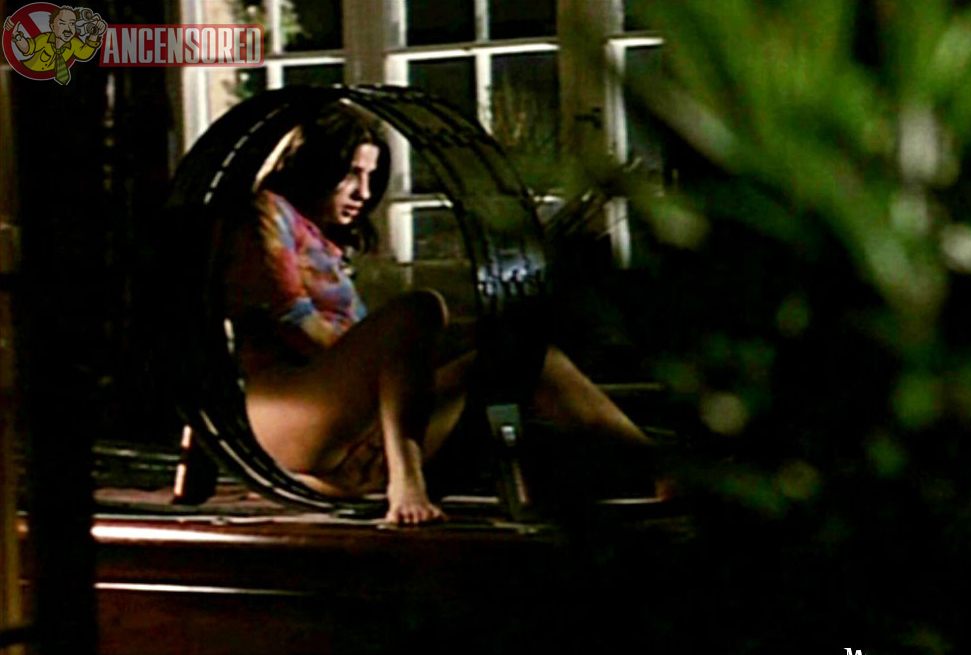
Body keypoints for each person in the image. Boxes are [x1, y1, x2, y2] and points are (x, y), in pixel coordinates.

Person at [225, 103, 657, 525]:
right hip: (288, 405)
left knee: (531, 360)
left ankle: (662, 471)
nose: (364, 192)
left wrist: (415, 370)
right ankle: (406, 479)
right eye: (352, 174)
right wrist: (384, 372)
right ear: (316, 166)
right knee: (419, 309)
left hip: (345, 423)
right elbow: (291, 320)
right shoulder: (267, 209)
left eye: (371, 177)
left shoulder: (326, 240)